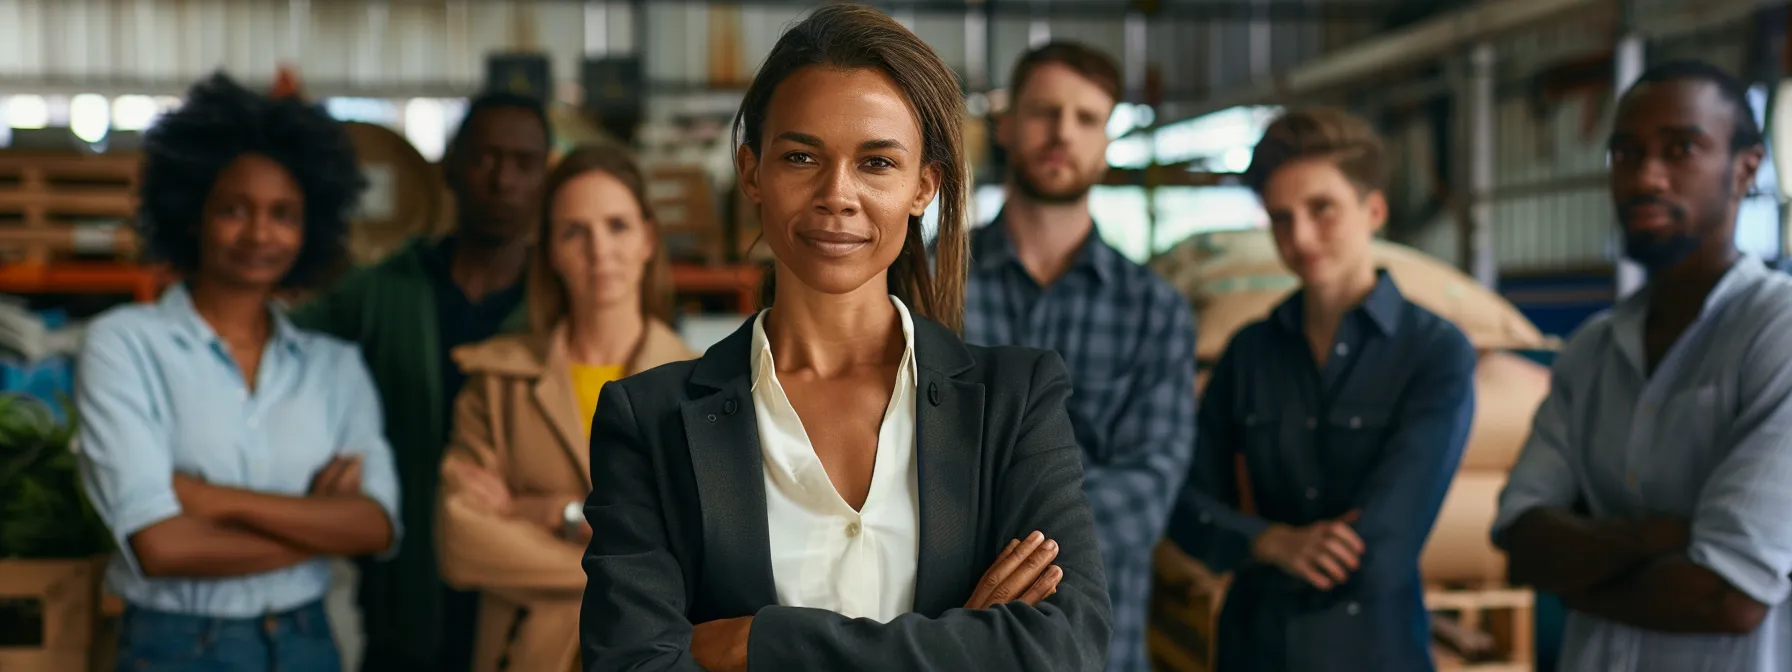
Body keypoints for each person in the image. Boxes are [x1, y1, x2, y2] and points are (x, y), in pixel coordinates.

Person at [578, 5, 1113, 671]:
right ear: (752, 173)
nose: (838, 194)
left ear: (924, 186)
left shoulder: (1015, 401)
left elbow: (1068, 648)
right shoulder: (649, 421)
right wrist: (960, 642)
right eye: (801, 156)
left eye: (876, 163)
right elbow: (633, 664)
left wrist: (755, 644)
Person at [74, 73, 400, 670]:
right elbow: (161, 547)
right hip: (176, 646)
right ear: (193, 214)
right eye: (233, 209)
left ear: (309, 229)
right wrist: (314, 529)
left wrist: (206, 498)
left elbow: (375, 526)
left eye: (283, 213)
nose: (258, 233)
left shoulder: (334, 367)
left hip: (309, 644)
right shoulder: (124, 347)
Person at [1494, 60, 1792, 671]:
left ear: (1746, 168)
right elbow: (1523, 546)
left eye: (1681, 148)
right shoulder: (1591, 351)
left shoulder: (1777, 336)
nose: (1645, 177)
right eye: (1625, 153)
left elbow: (1727, 598)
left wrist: (1581, 574)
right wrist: (1660, 538)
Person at [1164, 108, 1477, 671]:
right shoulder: (1248, 353)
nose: (1299, 236)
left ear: (1374, 210)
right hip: (1252, 648)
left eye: (1321, 209)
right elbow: (1186, 507)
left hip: (1371, 651)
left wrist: (1243, 538)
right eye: (1281, 218)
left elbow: (1384, 547)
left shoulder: (1435, 353)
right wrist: (1270, 541)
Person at [288, 91, 550, 671]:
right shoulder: (381, 290)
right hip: (401, 601)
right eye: (486, 158)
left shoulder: (557, 308)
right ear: (450, 168)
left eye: (523, 163)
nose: (503, 179)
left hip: (522, 605)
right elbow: (282, 355)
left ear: (543, 179)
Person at [962, 41, 1197, 672]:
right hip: (951, 638)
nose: (1063, 132)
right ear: (1006, 125)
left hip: (1097, 650)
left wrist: (1000, 553)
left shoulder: (1155, 310)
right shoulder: (932, 285)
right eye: (1044, 111)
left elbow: (1150, 485)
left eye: (1087, 118)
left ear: (1106, 139)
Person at [435, 144, 698, 672]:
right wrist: (632, 564)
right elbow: (460, 542)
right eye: (575, 231)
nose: (599, 249)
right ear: (550, 250)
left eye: (617, 226)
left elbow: (707, 552)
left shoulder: (705, 385)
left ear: (648, 238)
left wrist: (543, 514)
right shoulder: (496, 381)